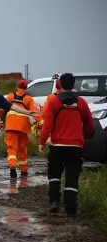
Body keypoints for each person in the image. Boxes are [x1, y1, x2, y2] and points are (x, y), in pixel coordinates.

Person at [39, 73, 94, 216]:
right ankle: (70, 207)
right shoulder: (81, 102)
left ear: (60, 84)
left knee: (54, 174)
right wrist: (86, 135)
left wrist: (41, 142)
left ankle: (54, 202)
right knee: (72, 175)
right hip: (76, 146)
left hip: (57, 145)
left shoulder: (53, 102)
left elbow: (47, 126)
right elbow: (89, 123)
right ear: (73, 84)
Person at [0, 79, 43, 178]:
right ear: (26, 88)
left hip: (11, 127)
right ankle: (23, 170)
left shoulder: (10, 96)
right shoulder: (28, 99)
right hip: (23, 128)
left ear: (17, 87)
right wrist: (41, 123)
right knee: (22, 149)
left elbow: (1, 110)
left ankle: (12, 166)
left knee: (11, 149)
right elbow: (34, 112)